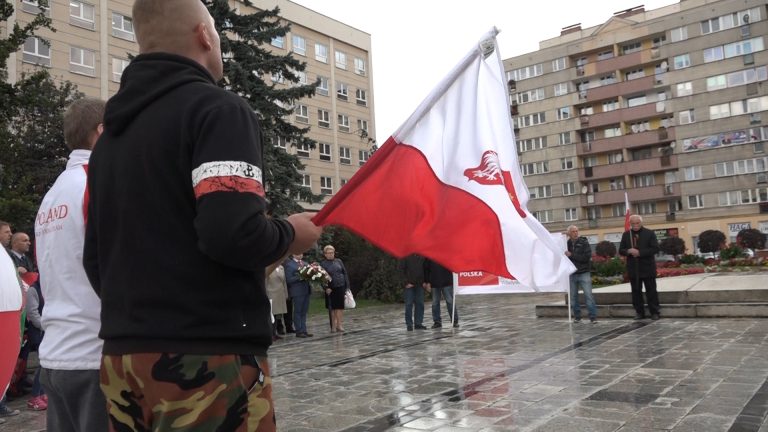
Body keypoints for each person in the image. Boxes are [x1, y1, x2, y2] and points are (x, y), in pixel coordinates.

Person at [82, 1, 322, 430]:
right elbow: (233, 232)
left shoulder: (110, 143)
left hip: (123, 362)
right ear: (205, 35)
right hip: (206, 363)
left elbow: (96, 258)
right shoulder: (218, 111)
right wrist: (291, 234)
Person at [33, 98, 109, 430]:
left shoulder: (53, 193)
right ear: (102, 131)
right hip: (95, 353)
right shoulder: (100, 181)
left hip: (57, 354)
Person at [0, 229, 23, 422]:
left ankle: (1, 403)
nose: (9, 234)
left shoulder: (4, 255)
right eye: (6, 231)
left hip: (10, 315)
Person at [619, 215, 660, 320]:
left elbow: (655, 248)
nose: (635, 225)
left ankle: (654, 312)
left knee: (651, 291)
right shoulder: (626, 234)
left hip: (647, 267)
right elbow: (621, 250)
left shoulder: (649, 233)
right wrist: (628, 251)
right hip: (633, 268)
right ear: (630, 224)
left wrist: (640, 253)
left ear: (641, 223)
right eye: (633, 223)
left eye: (637, 223)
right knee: (636, 291)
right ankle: (639, 312)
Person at [565, 225, 597, 323]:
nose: (575, 233)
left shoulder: (584, 242)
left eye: (576, 231)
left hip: (584, 272)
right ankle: (577, 317)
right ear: (569, 233)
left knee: (588, 296)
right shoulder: (567, 243)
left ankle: (593, 317)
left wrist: (572, 255)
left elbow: (586, 257)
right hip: (572, 273)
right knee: (573, 297)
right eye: (573, 231)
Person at [320, 245, 350, 333]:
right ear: (325, 254)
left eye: (332, 253)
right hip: (330, 288)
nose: (330, 254)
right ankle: (333, 326)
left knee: (340, 307)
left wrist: (347, 286)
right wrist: (326, 288)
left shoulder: (339, 261)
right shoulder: (323, 263)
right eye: (328, 253)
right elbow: (321, 277)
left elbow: (344, 273)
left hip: (340, 286)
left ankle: (339, 325)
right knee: (332, 308)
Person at [284, 254, 314, 338]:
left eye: (301, 253)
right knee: (298, 311)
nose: (300, 255)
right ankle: (299, 331)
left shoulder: (305, 263)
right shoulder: (289, 265)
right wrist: (300, 276)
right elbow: (289, 280)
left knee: (304, 311)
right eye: (298, 253)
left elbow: (310, 274)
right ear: (293, 254)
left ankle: (304, 330)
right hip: (297, 291)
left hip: (306, 290)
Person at [424, 258, 459, 328]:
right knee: (435, 303)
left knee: (450, 301)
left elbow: (453, 263)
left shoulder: (446, 253)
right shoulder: (430, 254)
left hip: (447, 282)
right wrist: (427, 281)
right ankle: (437, 322)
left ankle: (454, 321)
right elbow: (426, 268)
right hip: (434, 282)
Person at [401, 255, 427, 331]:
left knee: (420, 304)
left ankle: (418, 323)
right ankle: (409, 324)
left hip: (420, 284)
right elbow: (401, 270)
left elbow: (425, 269)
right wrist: (405, 283)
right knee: (408, 304)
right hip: (409, 285)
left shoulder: (422, 256)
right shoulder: (405, 255)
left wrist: (425, 281)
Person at [265, 263, 288, 340]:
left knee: (277, 315)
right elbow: (265, 282)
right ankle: (270, 334)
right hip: (271, 294)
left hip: (280, 294)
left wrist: (286, 294)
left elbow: (284, 282)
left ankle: (275, 333)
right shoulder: (268, 267)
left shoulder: (281, 267)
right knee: (271, 316)